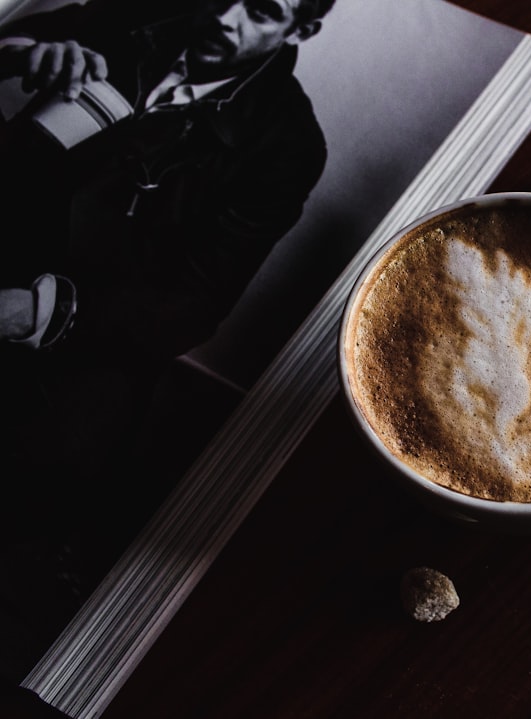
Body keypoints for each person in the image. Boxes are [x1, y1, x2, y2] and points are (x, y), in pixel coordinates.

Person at [0, 0, 335, 679]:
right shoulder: (138, 15)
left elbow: (194, 304)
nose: (227, 13)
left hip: (94, 324)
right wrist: (21, 53)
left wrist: (35, 310)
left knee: (44, 468)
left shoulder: (288, 141)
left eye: (264, 9)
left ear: (300, 31)